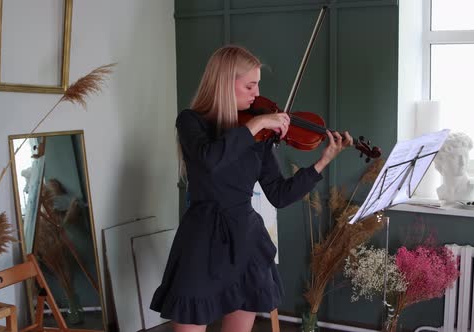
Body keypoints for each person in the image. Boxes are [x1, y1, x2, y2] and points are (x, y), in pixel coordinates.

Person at [150, 45, 353, 332]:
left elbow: (280, 195)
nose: (257, 94)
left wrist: (322, 162)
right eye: (250, 85)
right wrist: (257, 123)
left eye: (257, 85)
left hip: (245, 240)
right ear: (224, 82)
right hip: (201, 240)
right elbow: (210, 160)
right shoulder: (191, 121)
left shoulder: (261, 136)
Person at [433, 131, 474, 202]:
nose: (462, 162)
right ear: (441, 160)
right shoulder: (440, 190)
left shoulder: (472, 186)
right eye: (455, 157)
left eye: (466, 156)